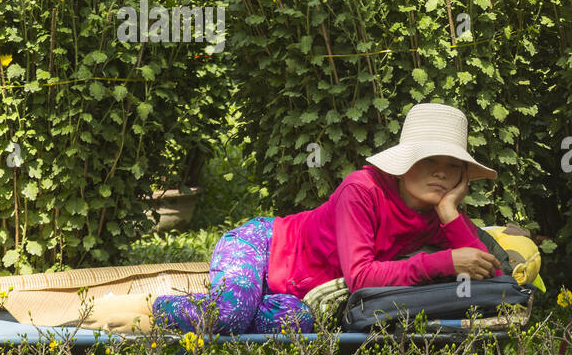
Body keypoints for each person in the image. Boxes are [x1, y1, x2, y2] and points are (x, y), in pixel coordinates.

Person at [152, 103, 502, 335]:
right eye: (430, 160)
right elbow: (361, 275)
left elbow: (496, 285)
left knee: (300, 324)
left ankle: (240, 305)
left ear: (462, 176)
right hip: (264, 244)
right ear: (405, 162)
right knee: (230, 315)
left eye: (453, 165)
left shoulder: (442, 214)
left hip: (298, 297)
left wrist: (450, 213)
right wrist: (443, 262)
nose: (441, 173)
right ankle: (153, 308)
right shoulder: (362, 188)